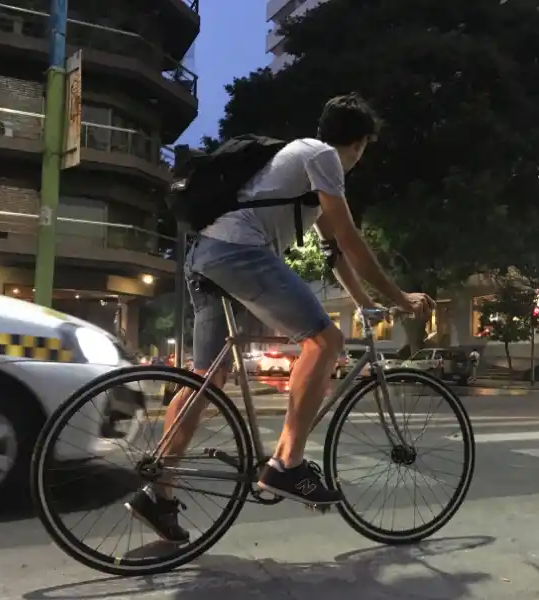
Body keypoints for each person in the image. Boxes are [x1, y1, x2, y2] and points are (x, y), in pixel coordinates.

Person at [125, 94, 435, 542]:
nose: (360, 158)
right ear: (360, 143)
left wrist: (367, 302)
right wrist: (401, 298)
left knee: (207, 379)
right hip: (239, 253)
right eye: (365, 148)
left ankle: (158, 491)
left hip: (206, 256)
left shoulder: (303, 164)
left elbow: (334, 253)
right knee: (324, 342)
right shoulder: (324, 155)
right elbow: (349, 237)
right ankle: (287, 464)